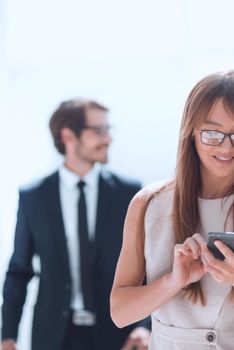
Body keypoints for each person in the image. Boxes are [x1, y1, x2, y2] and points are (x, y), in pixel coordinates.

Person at [110, 70, 234, 349]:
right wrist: (173, 281)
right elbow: (120, 313)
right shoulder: (149, 204)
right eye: (212, 133)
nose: (227, 146)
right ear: (191, 133)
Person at [1, 99, 150, 350]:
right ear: (68, 136)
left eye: (108, 130)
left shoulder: (129, 192)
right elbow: (19, 271)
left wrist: (144, 326)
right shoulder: (33, 196)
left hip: (118, 335)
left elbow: (147, 265)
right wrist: (7, 336)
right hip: (53, 336)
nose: (108, 139)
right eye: (99, 131)